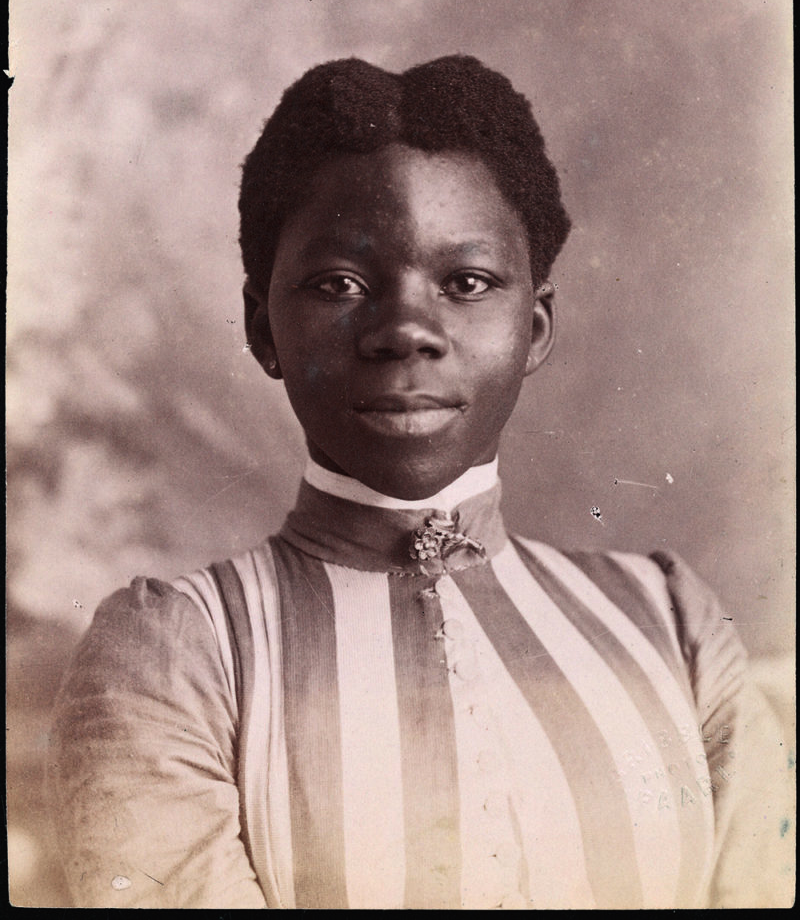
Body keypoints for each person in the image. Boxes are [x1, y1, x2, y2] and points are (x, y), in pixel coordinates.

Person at [49, 56, 791, 909]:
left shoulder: (670, 625)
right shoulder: (176, 654)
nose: (406, 330)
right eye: (340, 284)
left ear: (535, 326)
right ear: (264, 329)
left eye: (465, 283)